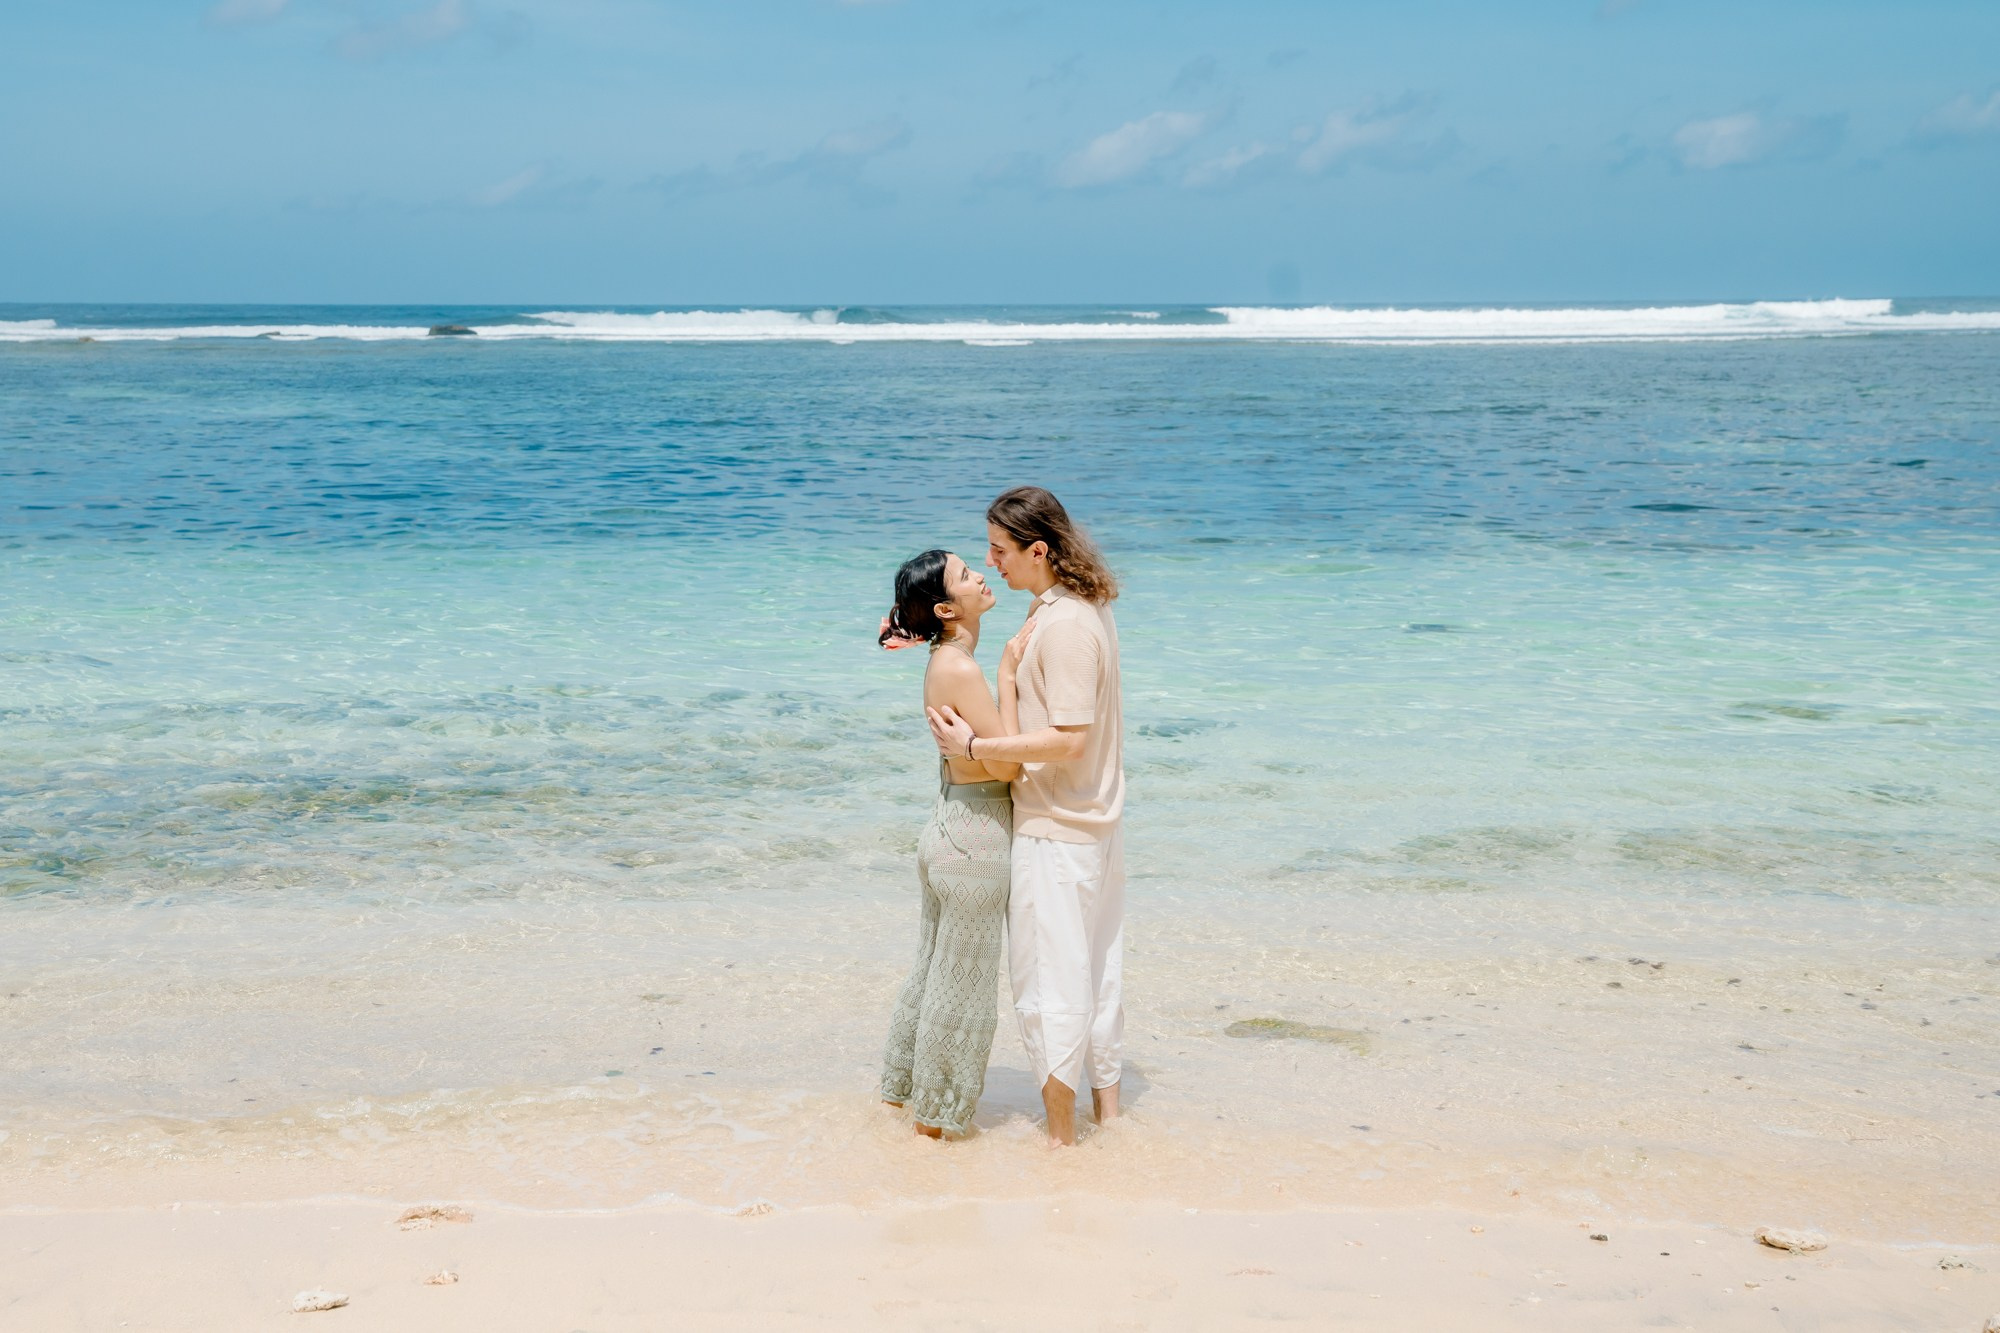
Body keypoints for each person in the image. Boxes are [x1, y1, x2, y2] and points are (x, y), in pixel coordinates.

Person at [928, 487, 1124, 1148]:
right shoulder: (1081, 608)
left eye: (1002, 549)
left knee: (1048, 988)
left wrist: (976, 747)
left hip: (1054, 829)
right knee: (1096, 977)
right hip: (1094, 824)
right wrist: (1009, 676)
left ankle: (1062, 1142)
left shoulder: (1065, 625)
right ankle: (1111, 1128)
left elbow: (1069, 738)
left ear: (1039, 549)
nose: (993, 563)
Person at [877, 549, 1036, 1138]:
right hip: (975, 837)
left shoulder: (945, 659)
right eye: (968, 575)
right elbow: (1012, 764)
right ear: (947, 608)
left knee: (933, 971)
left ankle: (904, 1099)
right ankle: (937, 1122)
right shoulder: (962, 668)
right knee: (963, 988)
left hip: (947, 827)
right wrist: (1009, 677)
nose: (982, 576)